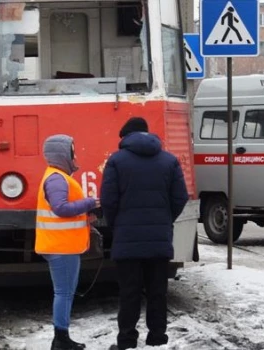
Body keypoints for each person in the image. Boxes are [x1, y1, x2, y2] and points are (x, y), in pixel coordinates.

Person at [101, 117, 188, 350]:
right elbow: (181, 197)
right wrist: (164, 219)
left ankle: (127, 340)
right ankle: (157, 338)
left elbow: (108, 200)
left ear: (126, 137)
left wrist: (116, 224)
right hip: (159, 239)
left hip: (127, 240)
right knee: (157, 291)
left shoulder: (117, 161)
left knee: (129, 293)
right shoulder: (169, 161)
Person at [35, 134, 99, 350]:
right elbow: (60, 208)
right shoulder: (56, 179)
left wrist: (86, 214)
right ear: (62, 154)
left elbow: (63, 209)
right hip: (61, 247)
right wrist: (89, 202)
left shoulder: (57, 176)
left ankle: (62, 337)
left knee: (66, 292)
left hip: (63, 245)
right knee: (63, 293)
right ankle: (60, 339)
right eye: (72, 151)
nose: (75, 155)